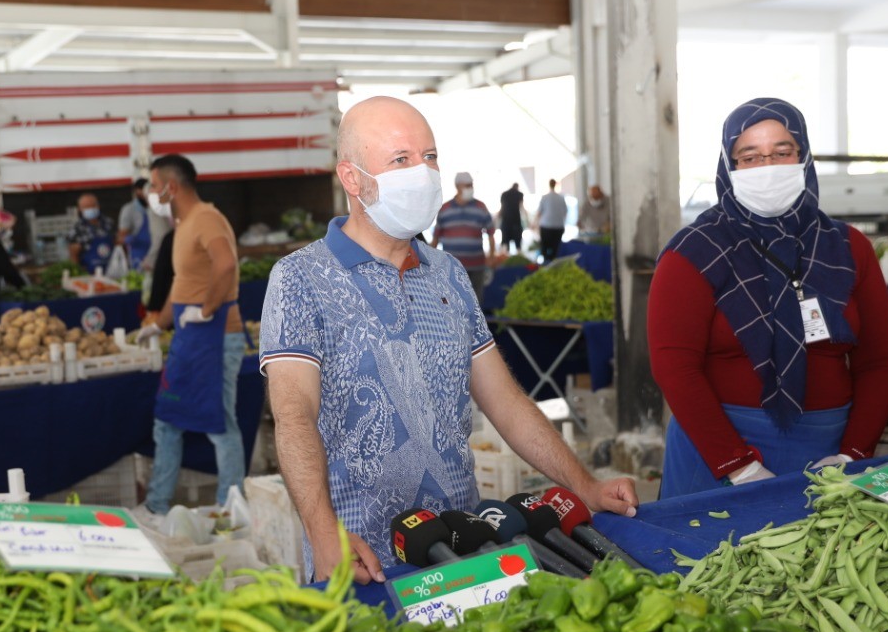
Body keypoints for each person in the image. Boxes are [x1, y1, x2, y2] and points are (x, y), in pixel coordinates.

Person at [259, 96, 639, 583]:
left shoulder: (449, 275)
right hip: (362, 563)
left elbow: (504, 400)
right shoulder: (300, 279)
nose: (423, 172)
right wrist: (320, 531)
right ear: (352, 179)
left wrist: (584, 484)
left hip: (467, 550)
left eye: (430, 157)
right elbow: (293, 414)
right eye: (401, 160)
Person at [648, 97, 888, 499]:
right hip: (717, 453)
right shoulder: (694, 251)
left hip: (828, 453)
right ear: (729, 167)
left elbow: (879, 362)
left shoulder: (847, 248)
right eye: (749, 157)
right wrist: (738, 465)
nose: (767, 168)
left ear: (804, 157)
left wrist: (852, 453)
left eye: (782, 153)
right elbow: (674, 366)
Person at [141, 154, 246, 513]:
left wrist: (207, 309)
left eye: (154, 186)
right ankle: (156, 505)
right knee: (166, 420)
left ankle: (229, 507)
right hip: (190, 337)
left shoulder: (207, 218)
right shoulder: (184, 225)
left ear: (171, 187)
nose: (151, 193)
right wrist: (158, 324)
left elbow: (227, 262)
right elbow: (182, 287)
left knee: (220, 422)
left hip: (216, 337)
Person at [433, 170, 497, 298]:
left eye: (471, 185)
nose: (470, 188)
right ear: (457, 187)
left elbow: (491, 234)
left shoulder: (480, 207)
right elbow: (436, 238)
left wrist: (491, 257)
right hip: (451, 268)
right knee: (454, 302)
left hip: (477, 267)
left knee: (477, 302)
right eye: (467, 185)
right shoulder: (445, 209)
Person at [69, 192, 117, 274]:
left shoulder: (109, 223)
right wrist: (79, 273)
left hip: (112, 271)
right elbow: (74, 256)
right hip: (90, 274)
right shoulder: (77, 229)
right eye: (86, 207)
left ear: (98, 206)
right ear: (80, 209)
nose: (90, 208)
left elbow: (117, 243)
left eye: (93, 205)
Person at [117, 177, 154, 268]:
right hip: (138, 254)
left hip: (155, 250)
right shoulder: (128, 210)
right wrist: (128, 239)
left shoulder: (155, 207)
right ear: (137, 191)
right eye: (144, 190)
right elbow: (122, 235)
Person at [535, 178, 568, 262]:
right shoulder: (561, 198)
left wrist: (534, 223)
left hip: (546, 226)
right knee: (556, 249)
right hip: (558, 226)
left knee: (545, 248)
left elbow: (539, 213)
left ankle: (546, 264)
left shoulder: (545, 197)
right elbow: (565, 212)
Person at [498, 181, 525, 254]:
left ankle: (505, 260)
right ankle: (519, 258)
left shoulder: (504, 194)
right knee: (518, 244)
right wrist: (528, 220)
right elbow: (522, 207)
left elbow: (502, 208)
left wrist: (496, 219)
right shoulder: (519, 194)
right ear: (517, 187)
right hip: (516, 221)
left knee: (505, 243)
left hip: (506, 221)